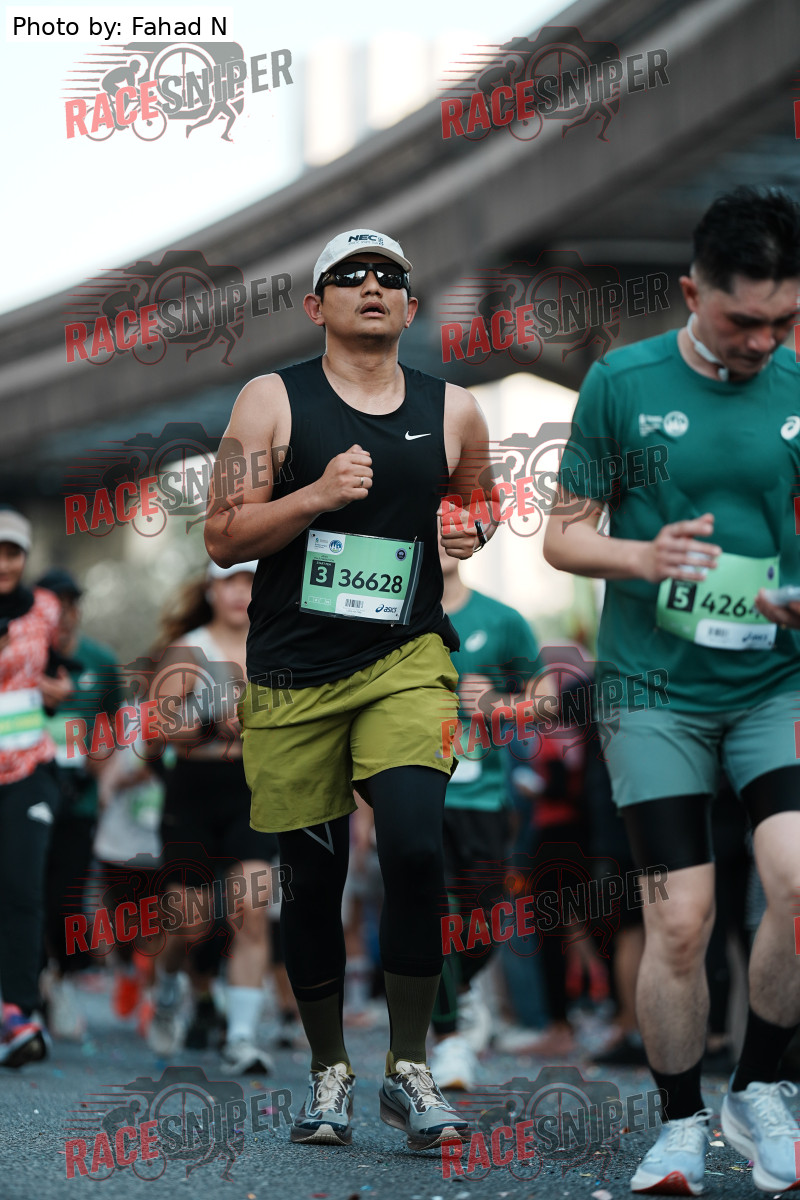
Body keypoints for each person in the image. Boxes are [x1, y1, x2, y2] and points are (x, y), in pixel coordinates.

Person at [204, 229, 497, 1150]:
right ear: (315, 304)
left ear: (410, 305)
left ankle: (409, 1067)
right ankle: (329, 1069)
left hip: (407, 659)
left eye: (390, 276)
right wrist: (316, 497)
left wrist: (470, 530)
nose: (372, 286)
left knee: (412, 847)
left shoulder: (455, 408)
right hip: (293, 674)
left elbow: (480, 501)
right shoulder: (272, 399)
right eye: (349, 275)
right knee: (313, 878)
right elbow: (221, 535)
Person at [543, 185, 800, 1195]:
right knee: (682, 919)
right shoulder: (622, 382)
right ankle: (681, 1123)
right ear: (692, 293)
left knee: (797, 883)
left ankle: (761, 1088)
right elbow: (564, 535)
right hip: (652, 691)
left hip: (772, 682)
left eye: (783, 320)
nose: (763, 342)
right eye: (743, 321)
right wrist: (643, 558)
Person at [145, 561, 277, 1074]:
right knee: (189, 920)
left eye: (249, 582)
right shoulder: (188, 649)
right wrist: (208, 724)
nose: (240, 593)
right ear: (210, 590)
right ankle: (167, 989)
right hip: (194, 790)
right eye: (229, 582)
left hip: (253, 790)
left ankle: (241, 1037)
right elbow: (155, 730)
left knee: (251, 905)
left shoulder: (277, 645)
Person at [429, 536, 543, 1089]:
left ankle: (463, 988)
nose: (437, 535)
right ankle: (449, 1038)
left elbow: (548, 700)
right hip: (417, 794)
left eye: (446, 523)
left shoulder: (501, 620)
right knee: (431, 913)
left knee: (486, 920)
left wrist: (498, 704)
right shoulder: (392, 617)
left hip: (482, 799)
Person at [36, 568, 121, 1042]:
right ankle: (30, 988)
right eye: (54, 604)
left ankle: (63, 982)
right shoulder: (22, 655)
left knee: (66, 897)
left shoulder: (100, 661)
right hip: (27, 791)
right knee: (25, 890)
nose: (64, 614)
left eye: (71, 604)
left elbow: (114, 725)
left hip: (79, 799)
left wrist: (98, 766)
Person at [0, 508, 70, 1066]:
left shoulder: (45, 607)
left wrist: (58, 688)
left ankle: (19, 1012)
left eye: (13, 552)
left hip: (29, 768)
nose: (4, 563)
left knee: (23, 889)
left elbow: (61, 669)